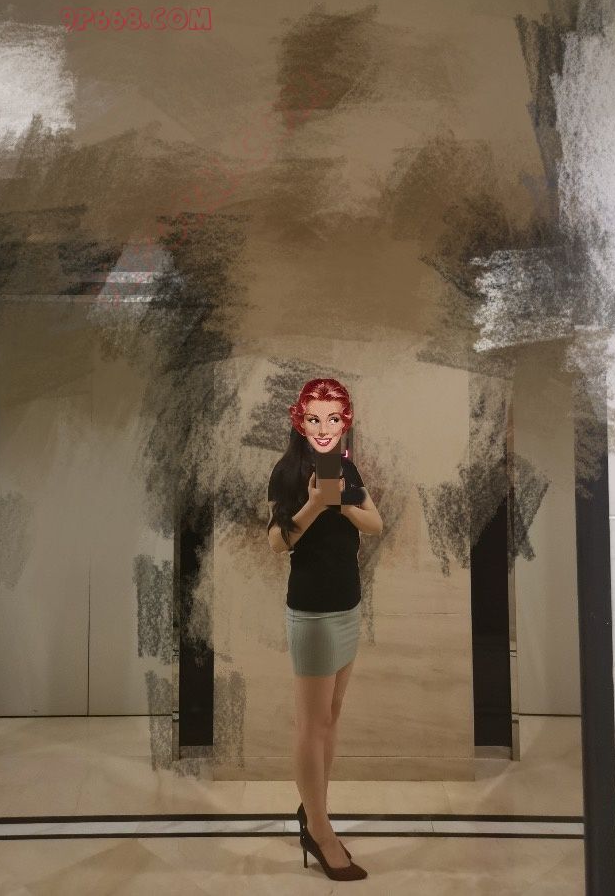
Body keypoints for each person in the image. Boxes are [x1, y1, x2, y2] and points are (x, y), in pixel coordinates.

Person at [267, 378, 382, 881]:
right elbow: (277, 542)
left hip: (347, 606)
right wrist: (314, 503)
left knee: (330, 719)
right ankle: (318, 828)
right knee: (311, 725)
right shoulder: (287, 471)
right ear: (300, 421)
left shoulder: (347, 468)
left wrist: (343, 503)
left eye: (334, 418)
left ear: (345, 422)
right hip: (312, 612)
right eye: (314, 418)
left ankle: (315, 810)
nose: (324, 427)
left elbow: (375, 524)